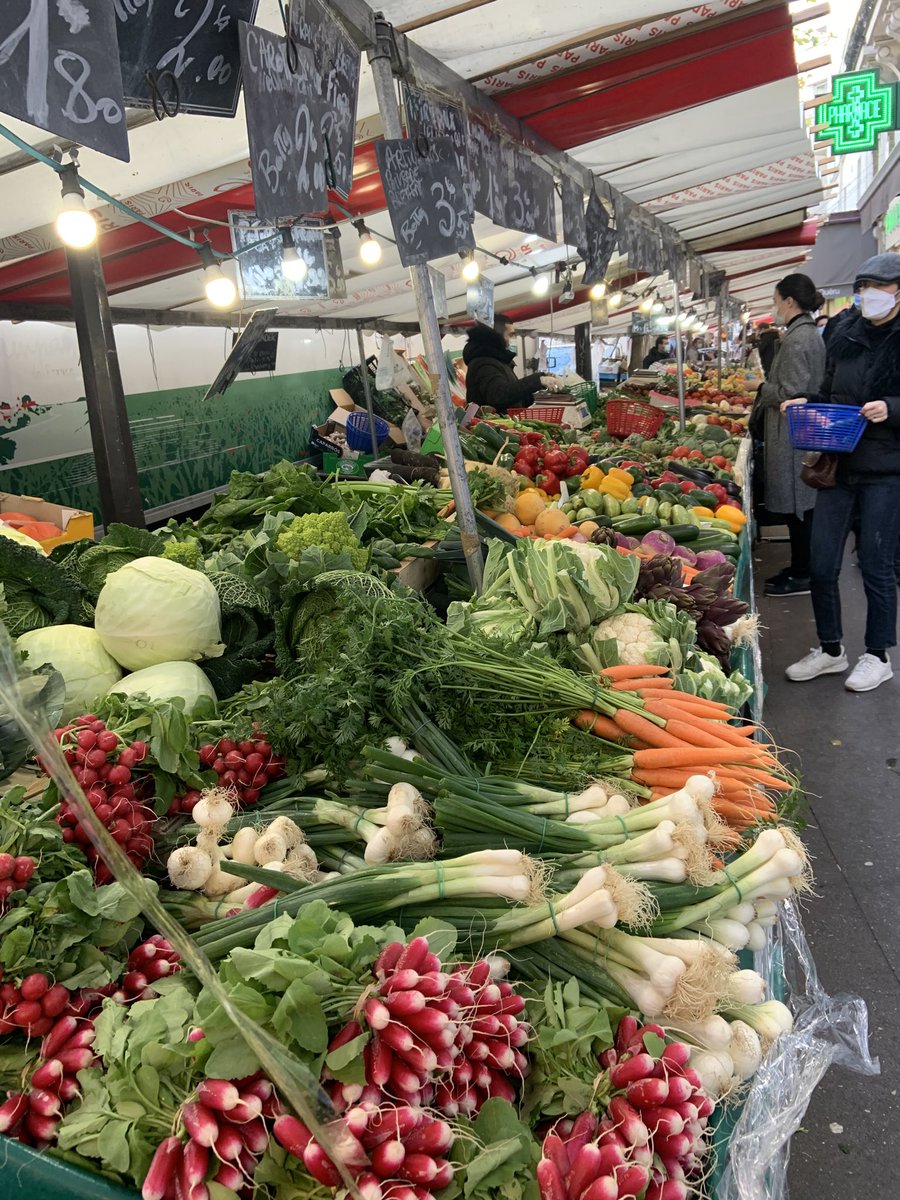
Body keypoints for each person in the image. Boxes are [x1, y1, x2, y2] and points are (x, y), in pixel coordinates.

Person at [785, 252, 900, 692]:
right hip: (840, 464)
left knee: (876, 565)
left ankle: (878, 654)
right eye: (864, 287)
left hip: (887, 469)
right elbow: (830, 391)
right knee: (821, 562)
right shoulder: (844, 332)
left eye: (879, 288)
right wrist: (807, 402)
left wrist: (891, 408)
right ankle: (831, 649)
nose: (868, 296)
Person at [753, 274, 827, 596]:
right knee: (802, 509)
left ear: (789, 301)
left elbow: (791, 393)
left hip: (795, 433)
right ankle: (800, 568)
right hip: (800, 431)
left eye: (775, 300)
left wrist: (759, 388)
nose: (774, 307)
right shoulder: (804, 333)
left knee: (800, 509)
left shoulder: (799, 339)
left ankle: (803, 574)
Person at [463, 314, 562, 412]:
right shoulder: (484, 363)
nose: (514, 338)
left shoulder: (499, 361)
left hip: (507, 424)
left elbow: (514, 395)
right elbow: (499, 395)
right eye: (511, 335)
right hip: (493, 425)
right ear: (496, 335)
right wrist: (538, 380)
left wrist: (542, 392)